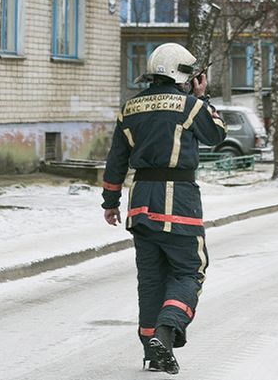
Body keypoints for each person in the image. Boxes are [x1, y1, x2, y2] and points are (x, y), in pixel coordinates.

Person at [101, 43, 226, 375]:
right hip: (179, 200)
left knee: (152, 280)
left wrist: (110, 202)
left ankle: (152, 351)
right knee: (189, 271)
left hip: (140, 202)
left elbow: (115, 160)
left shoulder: (129, 108)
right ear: (182, 73)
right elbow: (216, 134)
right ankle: (166, 331)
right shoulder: (189, 106)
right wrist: (203, 97)